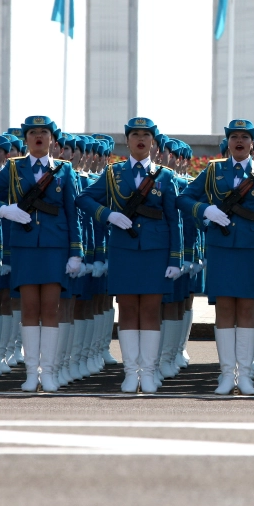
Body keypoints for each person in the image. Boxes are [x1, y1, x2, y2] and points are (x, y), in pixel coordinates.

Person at [77, 117, 181, 393]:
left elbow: (174, 220)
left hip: (155, 252)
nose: (141, 139)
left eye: (146, 135)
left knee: (149, 310)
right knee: (127, 309)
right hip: (123, 250)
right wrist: (107, 214)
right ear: (128, 140)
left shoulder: (165, 176)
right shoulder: (113, 174)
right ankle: (130, 372)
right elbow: (84, 198)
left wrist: (175, 259)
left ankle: (147, 373)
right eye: (135, 134)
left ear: (153, 142)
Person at [0, 116, 82, 392]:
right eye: (33, 133)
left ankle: (47, 372)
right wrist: (2, 209)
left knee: (51, 308)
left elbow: (73, 214)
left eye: (43, 133)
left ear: (52, 139)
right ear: (26, 139)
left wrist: (76, 251)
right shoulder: (13, 169)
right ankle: (30, 373)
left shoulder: (64, 170)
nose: (38, 137)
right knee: (29, 309)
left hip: (54, 247)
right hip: (24, 247)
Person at [179, 119, 254, 396]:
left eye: (244, 138)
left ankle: (245, 375)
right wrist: (204, 210)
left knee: (247, 309)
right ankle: (226, 374)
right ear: (228, 143)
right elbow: (184, 198)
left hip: (251, 250)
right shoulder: (213, 170)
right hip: (221, 249)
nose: (239, 141)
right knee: (224, 309)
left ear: (252, 144)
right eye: (234, 137)